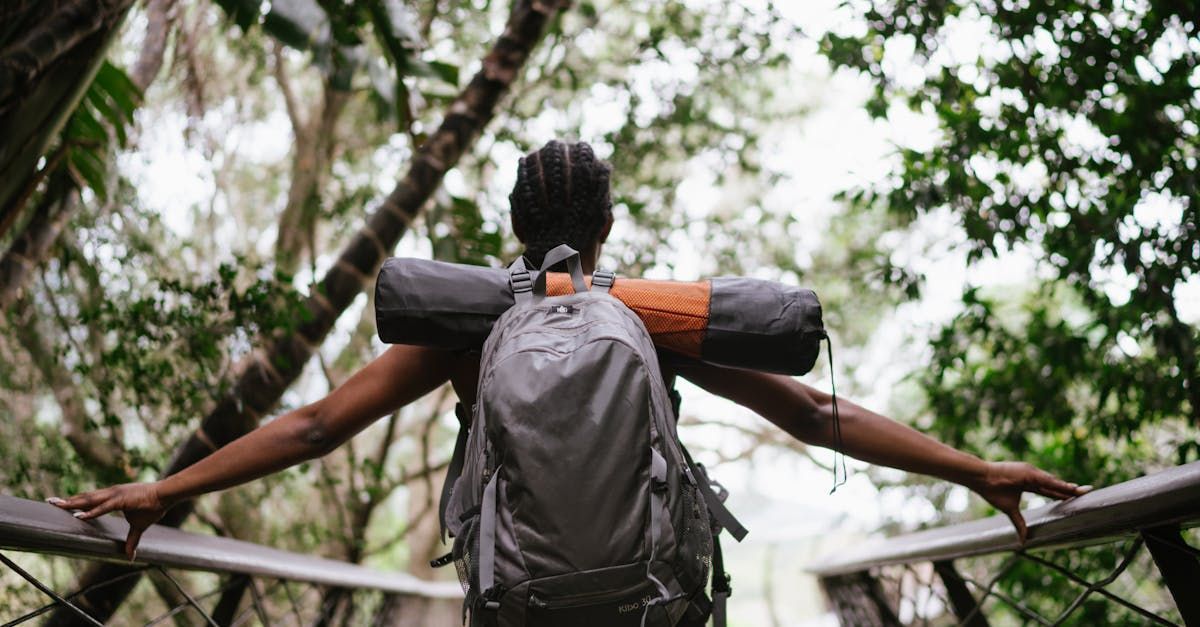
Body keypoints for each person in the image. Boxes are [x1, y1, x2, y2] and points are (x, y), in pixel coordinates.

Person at [48, 140, 1090, 564]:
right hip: (647, 591)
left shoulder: (469, 325)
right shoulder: (654, 315)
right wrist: (975, 467)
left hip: (519, 597)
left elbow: (317, 426)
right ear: (605, 228)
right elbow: (816, 414)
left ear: (512, 225)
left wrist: (166, 487)